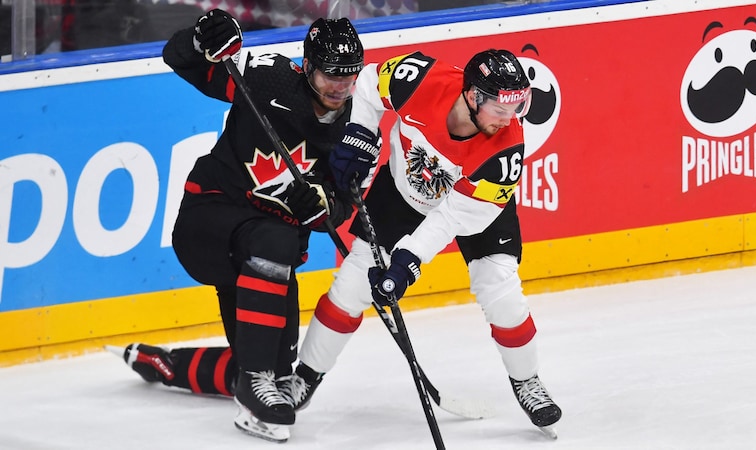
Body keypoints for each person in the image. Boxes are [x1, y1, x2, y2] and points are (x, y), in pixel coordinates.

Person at [110, 9, 364, 443]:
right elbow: (180, 59)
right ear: (306, 67)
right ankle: (255, 377)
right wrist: (200, 38)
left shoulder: (357, 125)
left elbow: (340, 210)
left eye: (349, 76)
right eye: (330, 76)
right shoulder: (266, 79)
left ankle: (164, 363)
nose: (340, 87)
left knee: (273, 374)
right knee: (276, 244)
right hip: (208, 222)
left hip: (264, 257)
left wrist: (324, 206)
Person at [282, 48, 563, 435]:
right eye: (500, 107)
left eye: (517, 107)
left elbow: (451, 219)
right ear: (472, 96)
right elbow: (366, 83)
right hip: (400, 195)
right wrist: (361, 134)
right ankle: (306, 376)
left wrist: (407, 261)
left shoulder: (507, 149)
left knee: (500, 288)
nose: (509, 119)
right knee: (351, 286)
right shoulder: (418, 78)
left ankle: (527, 379)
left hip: (470, 205)